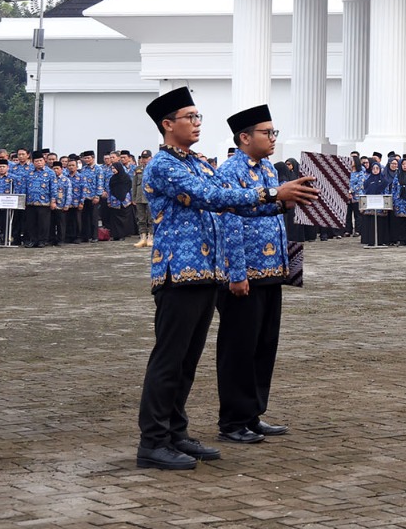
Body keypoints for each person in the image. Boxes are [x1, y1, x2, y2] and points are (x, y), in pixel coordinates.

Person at [134, 87, 317, 470]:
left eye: (199, 117)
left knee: (187, 362)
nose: (198, 123)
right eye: (190, 117)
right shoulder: (165, 166)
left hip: (205, 273)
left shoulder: (197, 163)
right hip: (178, 273)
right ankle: (152, 441)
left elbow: (230, 204)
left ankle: (176, 433)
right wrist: (271, 193)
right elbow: (210, 197)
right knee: (169, 360)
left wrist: (279, 202)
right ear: (168, 125)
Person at [215, 104, 294, 444]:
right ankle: (232, 420)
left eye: (274, 132)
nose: (273, 138)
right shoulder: (229, 172)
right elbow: (229, 222)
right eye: (267, 132)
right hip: (243, 274)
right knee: (238, 347)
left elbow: (272, 214)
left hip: (270, 271)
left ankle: (253, 414)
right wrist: (236, 273)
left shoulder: (267, 170)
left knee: (264, 345)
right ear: (244, 137)